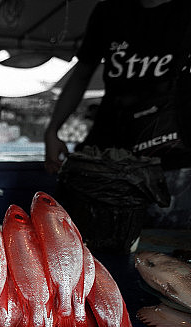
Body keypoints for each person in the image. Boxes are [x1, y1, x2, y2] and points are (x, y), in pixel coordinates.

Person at [43, 0, 191, 229]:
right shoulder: (108, 12)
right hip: (108, 154)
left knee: (165, 238)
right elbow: (82, 73)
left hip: (171, 158)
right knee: (89, 233)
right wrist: (52, 130)